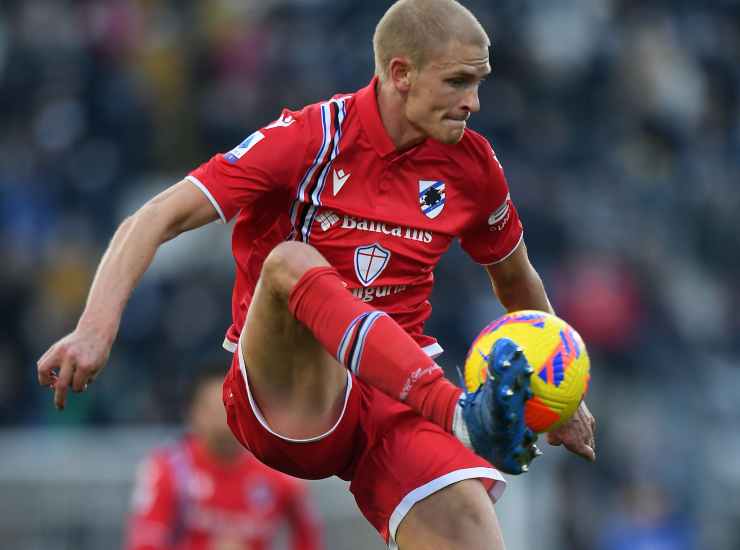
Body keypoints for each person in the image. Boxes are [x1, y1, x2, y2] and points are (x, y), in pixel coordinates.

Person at [38, 1, 596, 548]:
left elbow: (516, 279)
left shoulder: (473, 166)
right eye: (457, 82)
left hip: (394, 399)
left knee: (471, 527)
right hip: (292, 393)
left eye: (480, 83)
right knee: (291, 260)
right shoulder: (310, 137)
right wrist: (94, 327)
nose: (473, 102)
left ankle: (455, 420)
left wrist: (561, 390)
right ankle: (460, 415)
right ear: (400, 73)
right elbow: (155, 215)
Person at [124, 364, 324, 550]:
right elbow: (145, 543)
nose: (224, 414)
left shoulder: (279, 472)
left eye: (233, 403)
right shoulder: (168, 471)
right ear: (193, 413)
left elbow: (309, 537)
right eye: (215, 407)